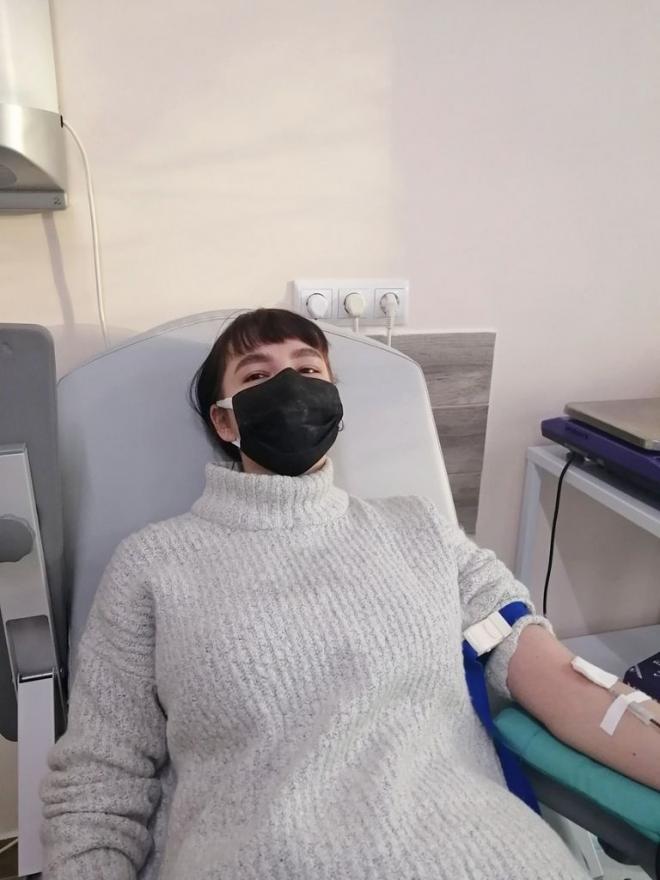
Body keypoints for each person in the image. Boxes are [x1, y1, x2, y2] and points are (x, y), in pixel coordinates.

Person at [40, 309, 658, 880]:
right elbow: (101, 778)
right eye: (257, 375)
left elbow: (552, 674)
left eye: (309, 370)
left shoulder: (421, 530)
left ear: (335, 402)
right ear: (224, 420)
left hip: (484, 852)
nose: (290, 386)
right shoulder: (153, 564)